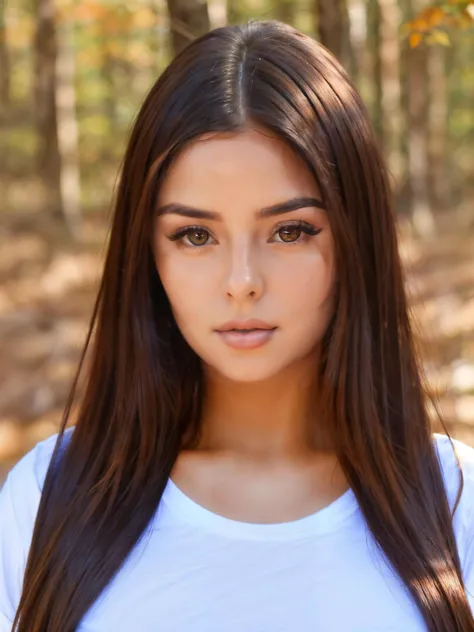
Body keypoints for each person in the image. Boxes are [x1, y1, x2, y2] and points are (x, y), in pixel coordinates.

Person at [0, 18, 473, 632]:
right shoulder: (47, 497)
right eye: (195, 235)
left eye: (290, 231)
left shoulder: (455, 501)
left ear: (358, 239)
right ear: (147, 255)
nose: (242, 280)